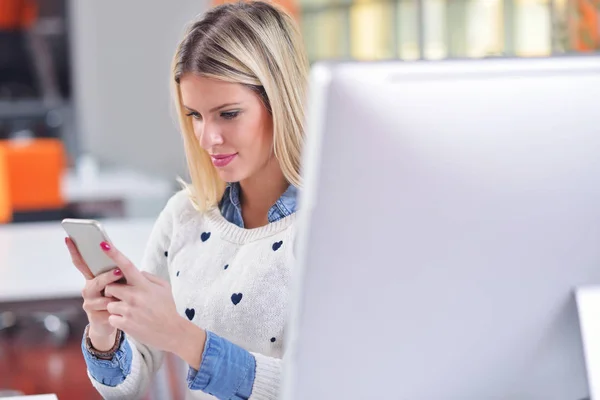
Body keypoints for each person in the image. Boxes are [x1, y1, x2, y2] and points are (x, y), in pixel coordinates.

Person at [64, 2, 308, 399]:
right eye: (195, 115)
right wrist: (105, 331)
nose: (208, 138)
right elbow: (129, 384)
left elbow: (325, 385)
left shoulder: (328, 228)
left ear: (280, 102)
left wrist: (185, 338)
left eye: (228, 114)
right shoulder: (183, 216)